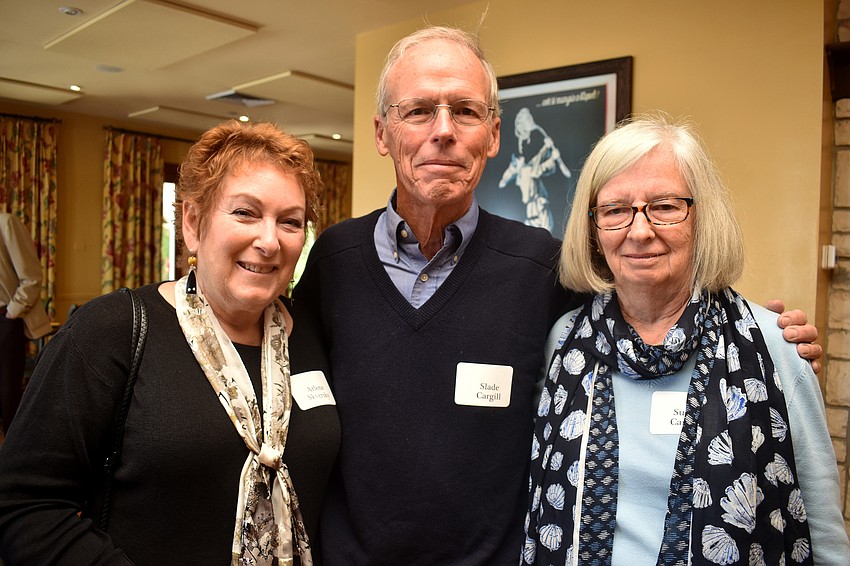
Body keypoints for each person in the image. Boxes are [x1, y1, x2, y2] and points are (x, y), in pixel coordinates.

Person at [294, 26, 822, 566]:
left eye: (466, 112)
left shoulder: (542, 268)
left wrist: (760, 338)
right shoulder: (334, 262)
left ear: (494, 135)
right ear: (382, 133)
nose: (444, 131)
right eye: (420, 111)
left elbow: (644, 296)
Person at [0, 120, 341, 565]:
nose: (269, 240)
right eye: (245, 213)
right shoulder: (110, 332)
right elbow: (24, 506)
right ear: (194, 224)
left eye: (290, 222)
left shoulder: (316, 335)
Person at [522, 114, 850, 565]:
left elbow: (823, 530)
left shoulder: (772, 346)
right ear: (594, 232)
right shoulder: (565, 342)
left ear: (701, 219)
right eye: (616, 210)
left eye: (665, 206)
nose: (640, 231)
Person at [0, 211, 51, 435]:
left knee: (8, 390)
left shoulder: (6, 223)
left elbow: (31, 276)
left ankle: (14, 454)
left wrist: (12, 312)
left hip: (5, 318)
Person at [499, 107, 572, 231]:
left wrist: (548, 149)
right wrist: (551, 159)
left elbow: (543, 165)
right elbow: (535, 170)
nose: (524, 144)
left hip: (540, 207)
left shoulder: (527, 164)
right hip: (534, 211)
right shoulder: (524, 169)